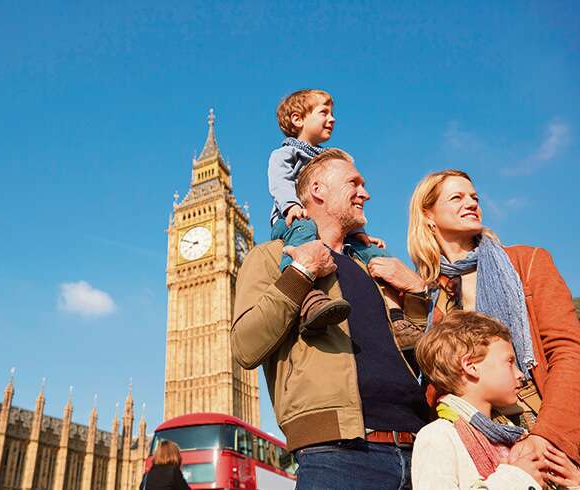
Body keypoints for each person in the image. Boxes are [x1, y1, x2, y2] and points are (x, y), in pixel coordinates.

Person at [232, 149, 431, 489]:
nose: (365, 193)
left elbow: (418, 354)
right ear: (317, 191)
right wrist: (301, 272)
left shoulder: (374, 266)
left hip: (420, 451)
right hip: (338, 455)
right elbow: (245, 347)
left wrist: (417, 293)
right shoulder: (271, 257)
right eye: (354, 183)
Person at [407, 169, 580, 476]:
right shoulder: (428, 294)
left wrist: (547, 435)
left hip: (538, 426)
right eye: (457, 197)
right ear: (428, 215)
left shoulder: (526, 263)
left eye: (474, 197)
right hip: (472, 443)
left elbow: (569, 352)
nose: (471, 203)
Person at [268, 89, 393, 336]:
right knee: (304, 230)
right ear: (298, 119)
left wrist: (358, 231)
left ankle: (396, 315)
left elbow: (343, 203)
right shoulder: (286, 153)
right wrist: (291, 205)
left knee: (374, 253)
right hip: (292, 219)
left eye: (332, 113)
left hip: (327, 226)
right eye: (324, 112)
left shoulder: (331, 158)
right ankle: (305, 295)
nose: (332, 119)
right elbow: (280, 182)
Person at [412, 310, 543, 489]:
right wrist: (518, 478)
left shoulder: (511, 434)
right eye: (510, 362)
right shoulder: (437, 436)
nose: (521, 374)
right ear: (471, 366)